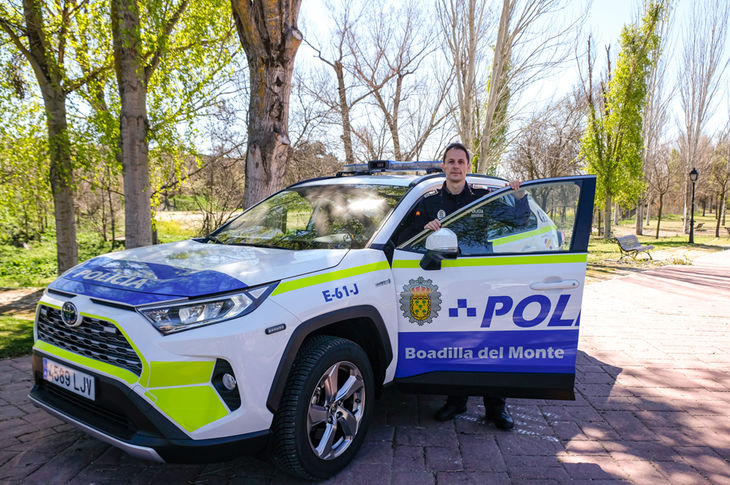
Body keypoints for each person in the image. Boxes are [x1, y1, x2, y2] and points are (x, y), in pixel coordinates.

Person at [402, 141, 527, 430]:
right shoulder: (429, 202)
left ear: (468, 167)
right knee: (455, 342)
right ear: (443, 166)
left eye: (461, 162)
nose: (456, 166)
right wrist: (424, 230)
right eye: (451, 161)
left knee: (489, 343)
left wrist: (518, 194)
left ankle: (496, 408)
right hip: (445, 279)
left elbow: (519, 221)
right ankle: (456, 402)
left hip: (481, 278)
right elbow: (405, 235)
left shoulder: (484, 198)